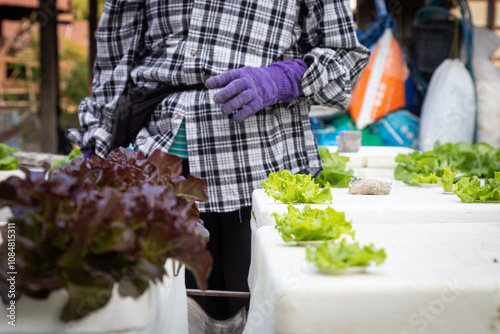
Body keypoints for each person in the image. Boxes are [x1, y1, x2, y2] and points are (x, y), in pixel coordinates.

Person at [68, 0, 369, 321]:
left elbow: (345, 60)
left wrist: (286, 78)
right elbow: (114, 66)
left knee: (263, 310)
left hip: (266, 169)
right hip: (159, 167)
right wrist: (94, 154)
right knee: (167, 311)